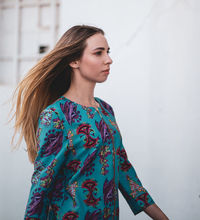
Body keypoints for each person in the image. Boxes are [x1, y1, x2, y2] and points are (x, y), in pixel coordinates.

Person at [11, 25, 169, 219]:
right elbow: (41, 185)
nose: (108, 59)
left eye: (107, 52)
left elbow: (125, 172)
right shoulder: (56, 116)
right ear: (74, 60)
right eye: (98, 53)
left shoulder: (106, 111)